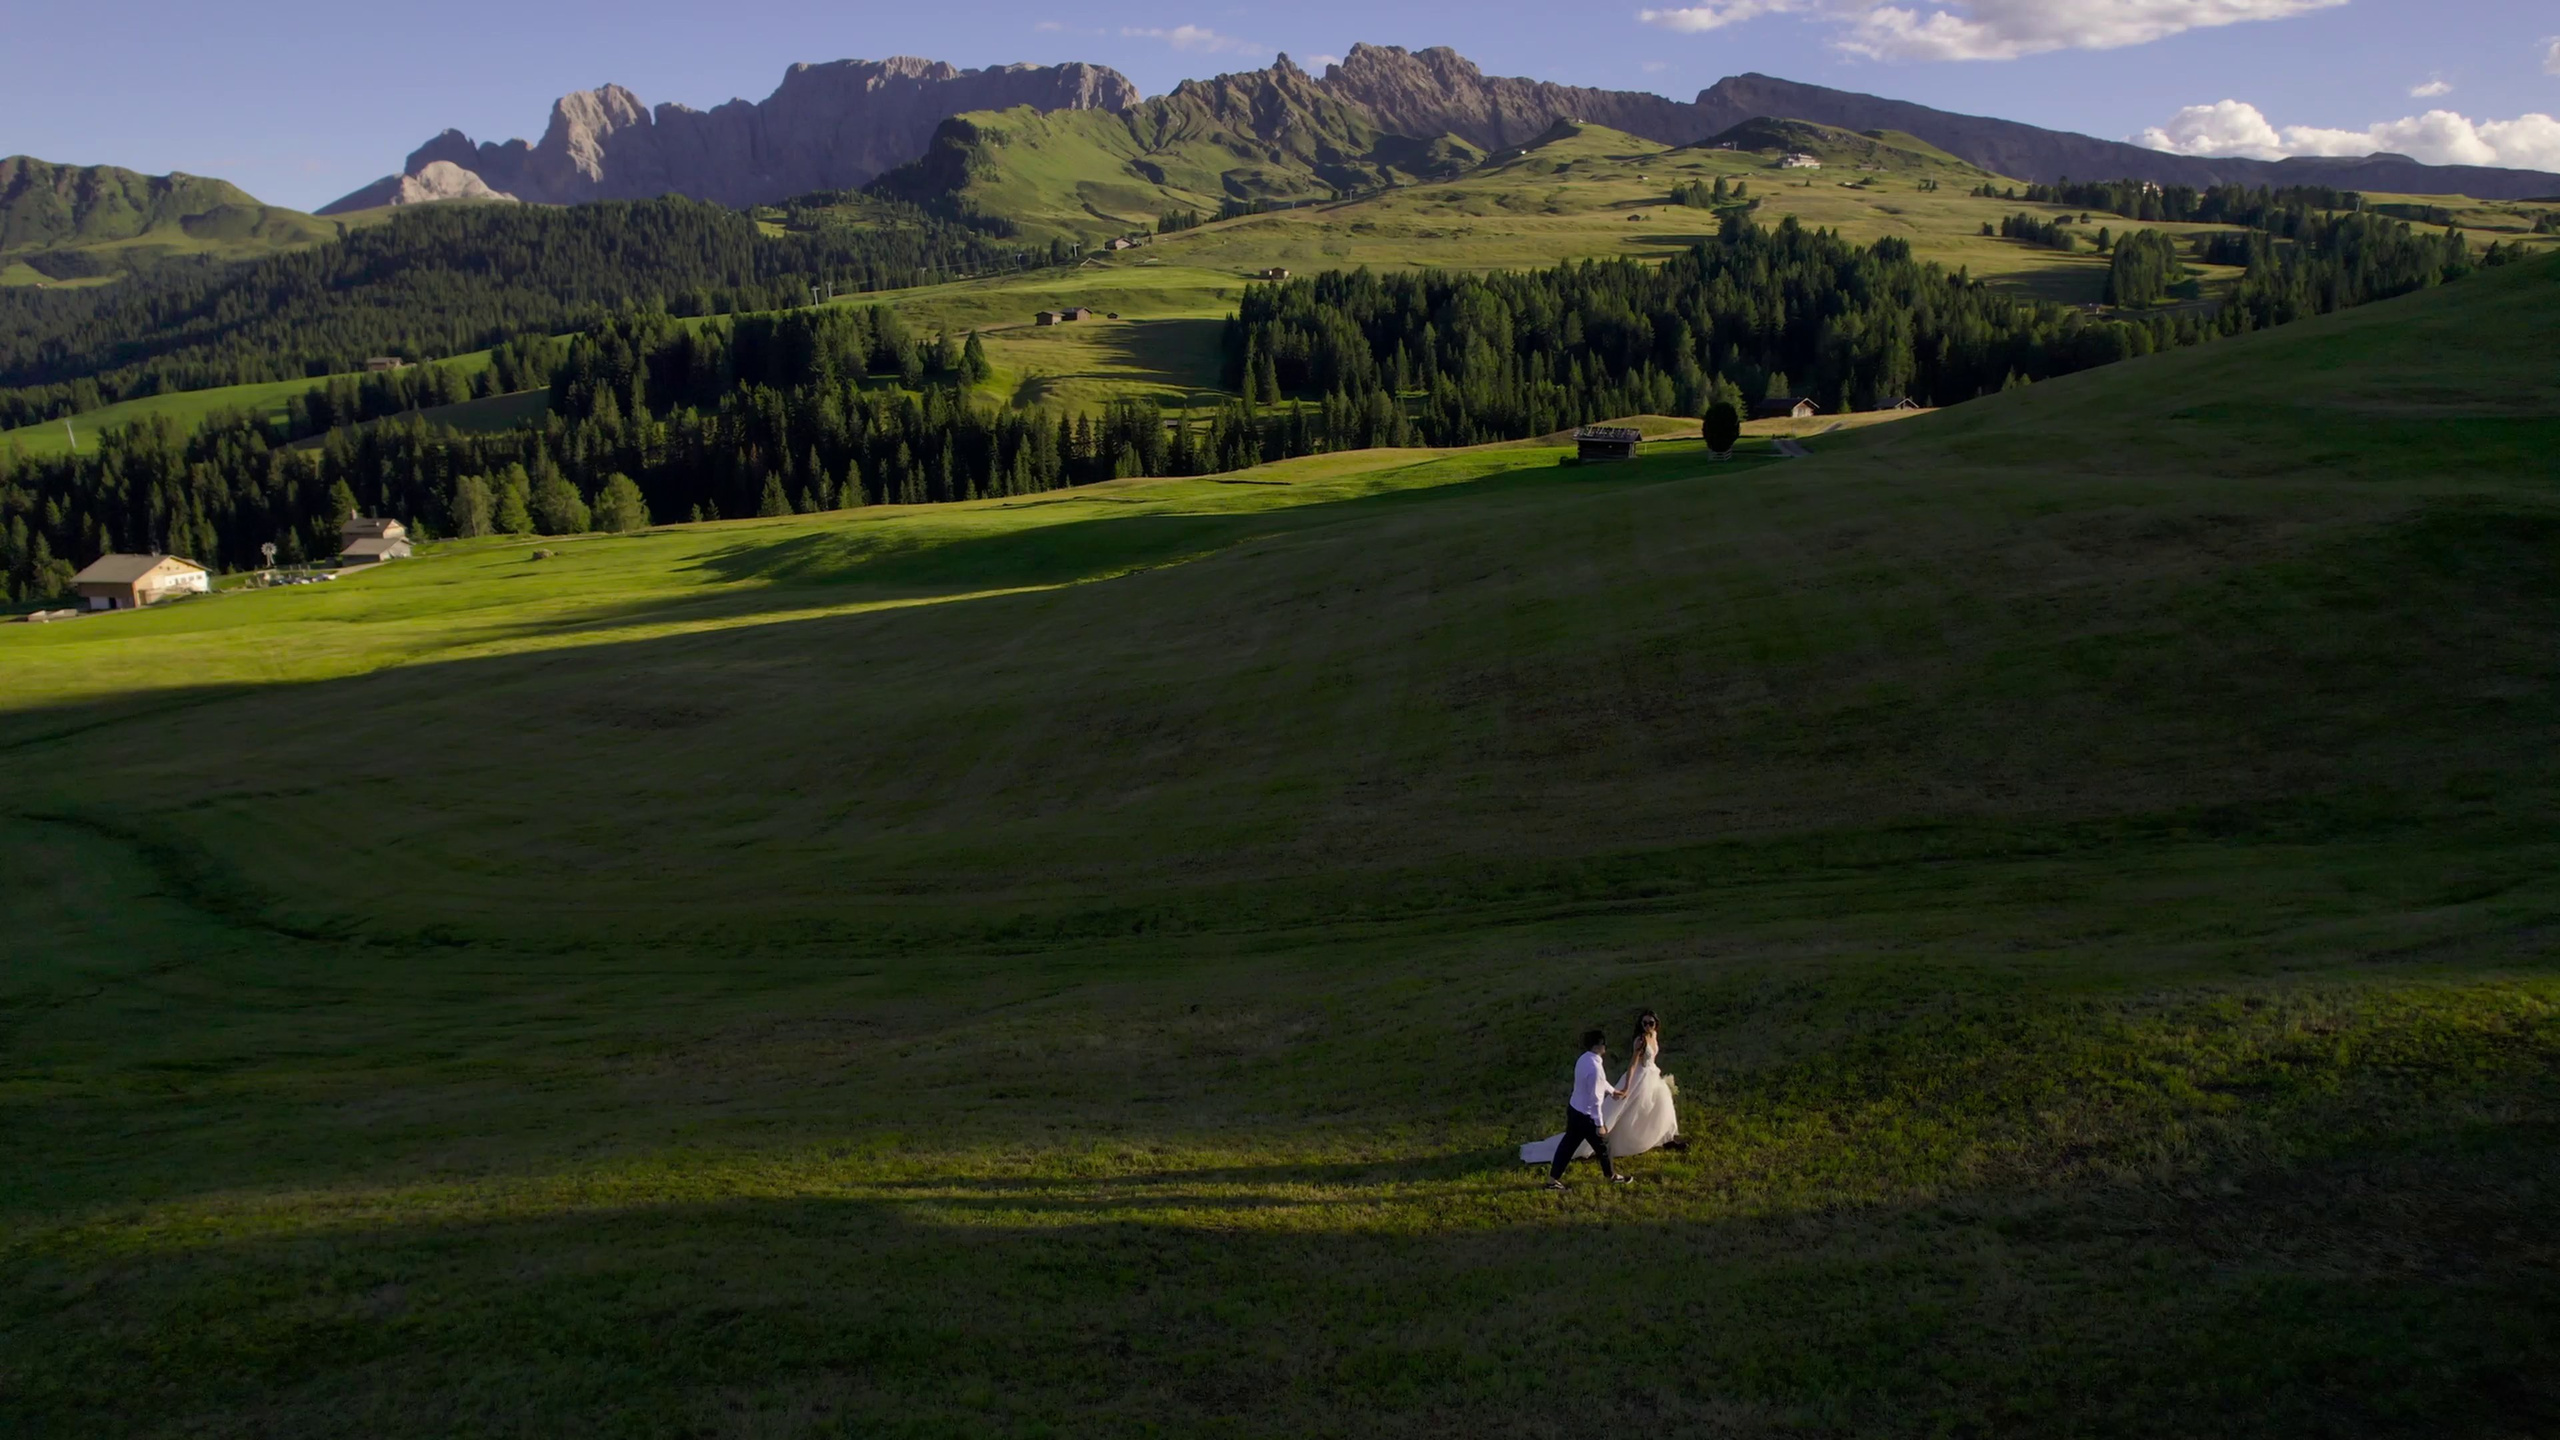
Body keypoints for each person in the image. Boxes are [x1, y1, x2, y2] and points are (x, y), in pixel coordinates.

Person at [1528, 1029, 1633, 1190]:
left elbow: (1598, 1083)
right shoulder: (1596, 1068)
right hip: (1587, 1116)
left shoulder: (1583, 1059)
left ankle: (1552, 1180)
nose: (1605, 1047)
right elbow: (1596, 1100)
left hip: (1574, 1109)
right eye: (1603, 1044)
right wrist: (1599, 1125)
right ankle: (1611, 1176)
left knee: (1567, 1146)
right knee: (1604, 1146)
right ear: (1598, 1045)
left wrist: (1612, 1091)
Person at [1601, 1009, 1681, 1159]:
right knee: (1636, 1108)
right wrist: (1626, 1086)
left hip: (1652, 1074)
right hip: (1640, 1076)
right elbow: (1632, 1065)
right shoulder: (1640, 1041)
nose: (1647, 1026)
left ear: (1656, 1024)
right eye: (1644, 1023)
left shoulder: (1654, 1035)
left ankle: (1667, 1138)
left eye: (1651, 1023)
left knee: (1662, 1105)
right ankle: (1624, 1140)